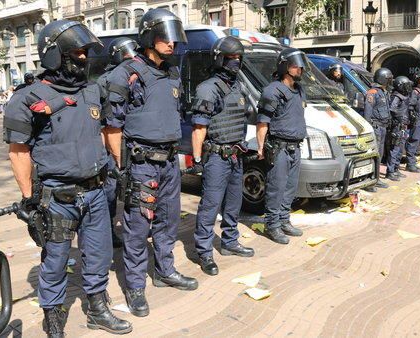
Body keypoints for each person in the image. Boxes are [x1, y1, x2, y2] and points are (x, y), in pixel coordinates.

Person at [3, 20, 132, 337]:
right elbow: (18, 152)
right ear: (53, 55)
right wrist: (29, 200)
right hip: (56, 200)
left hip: (96, 194)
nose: (84, 59)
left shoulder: (92, 91)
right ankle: (53, 318)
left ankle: (98, 309)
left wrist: (115, 166)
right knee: (56, 261)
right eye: (76, 52)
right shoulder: (28, 98)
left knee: (99, 256)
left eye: (86, 52)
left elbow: (103, 131)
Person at [104, 8, 198, 318]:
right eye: (165, 38)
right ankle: (134, 287)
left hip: (170, 163)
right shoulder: (126, 73)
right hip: (142, 164)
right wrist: (122, 167)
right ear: (149, 38)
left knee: (168, 220)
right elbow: (112, 127)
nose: (172, 44)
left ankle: (164, 271)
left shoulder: (172, 72)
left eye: (174, 38)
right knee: (137, 226)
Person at [188, 36, 255, 276]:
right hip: (216, 156)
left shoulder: (238, 86)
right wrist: (196, 160)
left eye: (238, 58)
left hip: (236, 154)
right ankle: (204, 252)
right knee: (210, 206)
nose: (235, 62)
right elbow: (199, 128)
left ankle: (229, 242)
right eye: (231, 58)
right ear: (220, 59)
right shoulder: (208, 88)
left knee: (234, 203)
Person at [256, 48, 307, 245]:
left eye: (301, 66)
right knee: (276, 188)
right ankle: (272, 225)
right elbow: (263, 122)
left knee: (290, 187)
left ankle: (284, 220)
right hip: (279, 147)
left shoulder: (300, 90)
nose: (300, 69)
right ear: (285, 67)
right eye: (295, 66)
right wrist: (261, 148)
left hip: (295, 146)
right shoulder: (272, 90)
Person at [97, 37, 139, 249]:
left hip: (130, 143)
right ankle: (106, 231)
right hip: (112, 147)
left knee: (131, 190)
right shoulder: (107, 80)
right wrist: (114, 158)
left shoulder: (135, 76)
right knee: (111, 191)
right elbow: (106, 125)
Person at [363, 68, 393, 190]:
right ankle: (369, 181)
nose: (390, 81)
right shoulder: (373, 92)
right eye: (388, 79)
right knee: (373, 154)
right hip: (375, 127)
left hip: (383, 127)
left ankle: (376, 178)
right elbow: (368, 112)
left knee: (379, 154)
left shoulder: (384, 92)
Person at [386, 76, 411, 181]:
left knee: (400, 149)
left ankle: (396, 169)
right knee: (394, 149)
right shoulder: (396, 96)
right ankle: (390, 171)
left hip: (403, 126)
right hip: (397, 127)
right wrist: (401, 117)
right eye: (406, 85)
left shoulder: (404, 96)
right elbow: (392, 109)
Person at [405, 72, 420, 173]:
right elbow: (410, 106)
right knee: (414, 140)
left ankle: (413, 162)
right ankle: (410, 164)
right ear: (417, 80)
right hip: (417, 119)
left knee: (418, 141)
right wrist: (413, 118)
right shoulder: (415, 92)